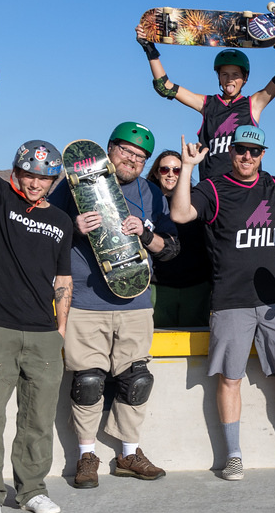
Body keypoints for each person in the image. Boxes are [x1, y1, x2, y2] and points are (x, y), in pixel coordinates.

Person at [170, 126, 275, 479]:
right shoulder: (213, 188)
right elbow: (180, 215)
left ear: (263, 154)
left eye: (254, 152)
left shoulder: (272, 185)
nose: (247, 157)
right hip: (230, 300)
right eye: (241, 150)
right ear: (232, 151)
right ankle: (234, 455)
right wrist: (188, 167)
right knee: (230, 379)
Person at [49, 122, 179, 489]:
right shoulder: (74, 186)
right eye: (126, 152)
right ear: (109, 150)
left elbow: (170, 249)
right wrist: (73, 226)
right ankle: (86, 455)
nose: (132, 160)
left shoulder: (152, 193)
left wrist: (147, 234)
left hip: (136, 301)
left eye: (140, 157)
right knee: (88, 381)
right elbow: (48, 231)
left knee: (136, 379)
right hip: (86, 301)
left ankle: (128, 453)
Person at [0, 123, 73, 513]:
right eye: (28, 174)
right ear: (15, 172)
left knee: (38, 420)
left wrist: (61, 331)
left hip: (44, 334)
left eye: (43, 178)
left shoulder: (61, 221)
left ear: (52, 180)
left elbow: (63, 279)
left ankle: (32, 490)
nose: (35, 183)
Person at [133, 28, 275, 181]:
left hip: (245, 189)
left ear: (245, 78)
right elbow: (165, 87)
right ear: (218, 78)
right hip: (212, 190)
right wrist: (149, 49)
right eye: (224, 74)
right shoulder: (207, 104)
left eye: (235, 75)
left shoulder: (254, 104)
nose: (229, 80)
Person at [146, 150, 211, 327]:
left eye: (177, 170)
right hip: (158, 286)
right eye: (165, 169)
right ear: (156, 172)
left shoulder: (198, 200)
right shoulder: (146, 202)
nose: (170, 174)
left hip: (196, 286)